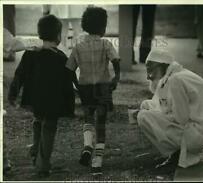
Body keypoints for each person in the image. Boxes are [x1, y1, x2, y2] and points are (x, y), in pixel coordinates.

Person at [8, 15, 75, 177]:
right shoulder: (61, 57)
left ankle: (36, 150)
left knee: (38, 121)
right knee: (49, 128)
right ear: (58, 35)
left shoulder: (31, 54)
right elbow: (70, 81)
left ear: (40, 34)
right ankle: (43, 165)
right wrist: (72, 103)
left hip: (35, 100)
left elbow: (20, 74)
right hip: (53, 102)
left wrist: (12, 93)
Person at [135, 49, 203, 168]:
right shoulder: (176, 75)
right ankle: (176, 153)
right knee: (146, 105)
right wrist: (153, 110)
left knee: (143, 117)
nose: (148, 77)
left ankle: (174, 154)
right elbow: (167, 106)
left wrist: (153, 115)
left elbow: (181, 118)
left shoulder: (175, 80)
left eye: (150, 70)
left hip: (194, 136)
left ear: (162, 66)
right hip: (197, 132)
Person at [66, 6, 120, 176]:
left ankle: (87, 145)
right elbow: (116, 61)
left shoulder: (78, 46)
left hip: (85, 87)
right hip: (103, 87)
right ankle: (97, 162)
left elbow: (69, 69)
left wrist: (76, 84)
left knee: (88, 117)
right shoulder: (106, 44)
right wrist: (116, 78)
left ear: (84, 25)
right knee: (101, 123)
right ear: (103, 27)